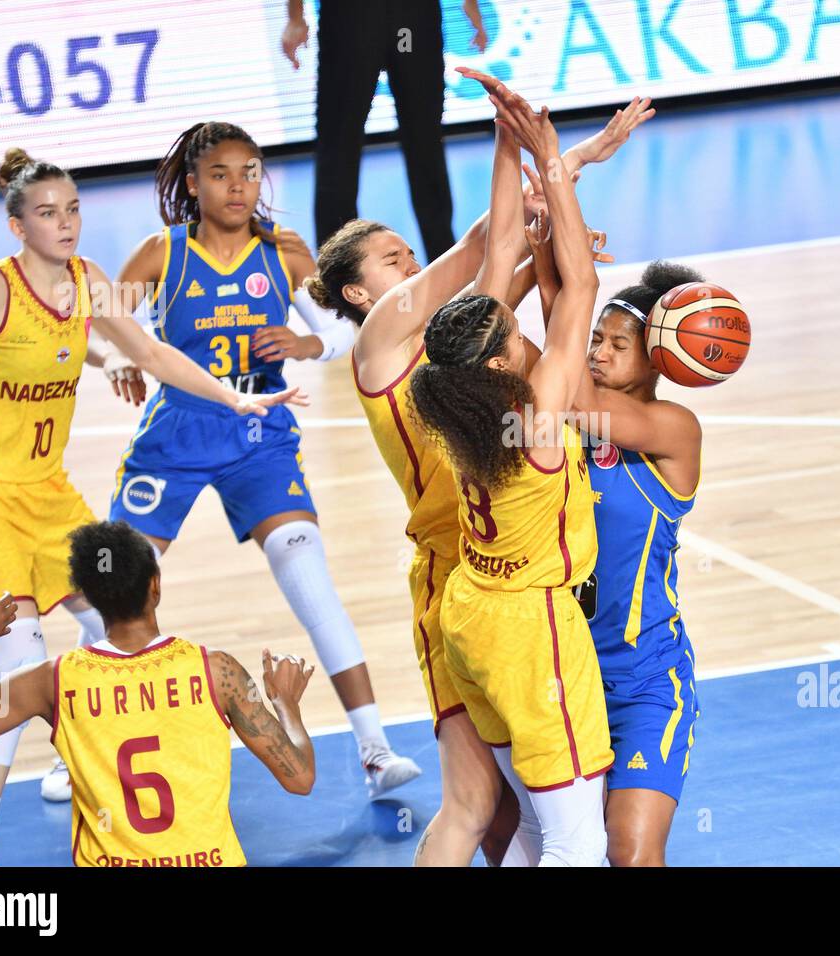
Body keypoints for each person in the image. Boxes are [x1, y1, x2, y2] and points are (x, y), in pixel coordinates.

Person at [0, 147, 306, 867]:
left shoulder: (90, 282)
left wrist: (234, 394)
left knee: (124, 627)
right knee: (21, 662)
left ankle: (79, 750)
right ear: (17, 226)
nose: (66, 225)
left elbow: (151, 354)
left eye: (74, 210)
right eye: (48, 214)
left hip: (51, 496)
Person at [307, 87, 651, 865]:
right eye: (392, 262)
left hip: (476, 573)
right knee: (480, 808)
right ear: (361, 296)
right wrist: (546, 159)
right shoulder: (384, 350)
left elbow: (496, 251)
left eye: (407, 251)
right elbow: (484, 252)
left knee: (500, 810)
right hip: (473, 580)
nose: (409, 265)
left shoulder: (446, 364)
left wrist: (531, 148)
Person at [108, 121, 419, 801]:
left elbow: (342, 325)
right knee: (115, 583)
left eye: (250, 171)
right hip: (180, 432)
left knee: (307, 568)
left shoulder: (283, 252)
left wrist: (308, 347)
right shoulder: (162, 252)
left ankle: (374, 749)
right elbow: (104, 319)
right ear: (192, 184)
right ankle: (79, 739)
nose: (239, 186)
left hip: (262, 432)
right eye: (221, 173)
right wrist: (117, 360)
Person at [408, 81, 614, 867]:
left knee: (526, 824)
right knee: (574, 839)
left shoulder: (450, 405)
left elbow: (498, 260)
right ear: (499, 360)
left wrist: (508, 143)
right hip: (531, 628)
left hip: (470, 612)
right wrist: (551, 157)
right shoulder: (533, 425)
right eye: (510, 329)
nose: (517, 316)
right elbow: (582, 289)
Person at [0, 520, 316, 867]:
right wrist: (287, 705)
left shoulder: (49, 681)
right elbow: (301, 779)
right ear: (154, 585)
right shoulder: (219, 671)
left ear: (87, 594)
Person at [528, 246, 706, 865]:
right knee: (534, 838)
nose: (597, 352)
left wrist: (572, 276)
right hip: (561, 672)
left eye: (615, 344)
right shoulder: (569, 413)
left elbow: (579, 394)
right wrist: (547, 249)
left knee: (629, 852)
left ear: (654, 356)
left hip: (644, 678)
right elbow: (560, 340)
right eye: (594, 338)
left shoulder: (673, 428)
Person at [282, 0, 489, 259]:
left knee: (425, 141)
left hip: (411, 16)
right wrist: (295, 16)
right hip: (352, 16)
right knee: (339, 145)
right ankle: (338, 270)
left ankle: (445, 264)